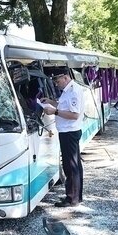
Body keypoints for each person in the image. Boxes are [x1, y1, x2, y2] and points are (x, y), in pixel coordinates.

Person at [41, 67, 84, 208]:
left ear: (65, 77)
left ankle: (72, 198)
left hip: (69, 132)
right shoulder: (68, 90)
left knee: (70, 166)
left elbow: (74, 115)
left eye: (57, 80)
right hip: (68, 132)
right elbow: (64, 105)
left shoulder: (73, 91)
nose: (56, 83)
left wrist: (55, 111)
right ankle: (76, 196)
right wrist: (52, 102)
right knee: (74, 164)